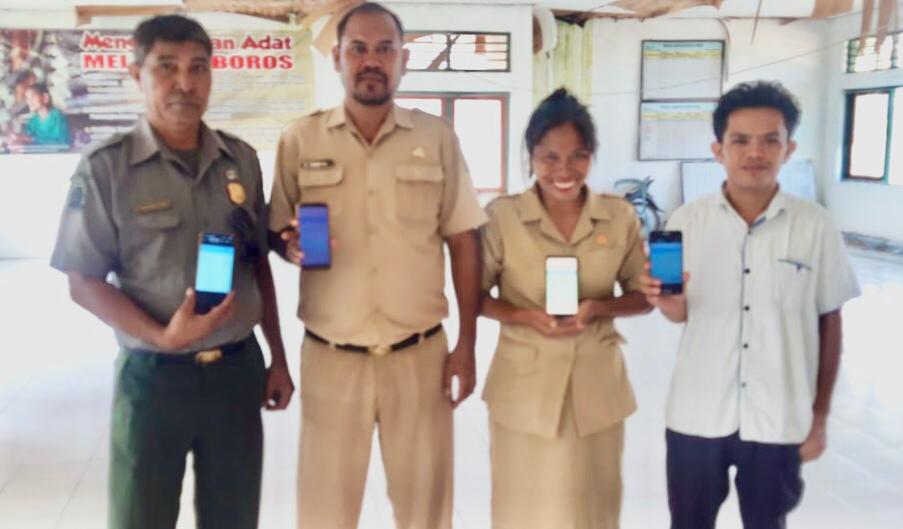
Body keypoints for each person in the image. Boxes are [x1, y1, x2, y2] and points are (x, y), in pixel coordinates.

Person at [49, 15, 294, 529]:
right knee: (141, 516)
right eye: (167, 67)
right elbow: (83, 281)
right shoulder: (106, 168)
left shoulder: (240, 160)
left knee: (233, 518)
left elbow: (256, 264)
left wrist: (277, 357)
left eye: (198, 67)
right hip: (153, 378)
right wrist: (162, 336)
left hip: (236, 373)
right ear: (135, 74)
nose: (185, 82)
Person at [267, 3, 486, 529]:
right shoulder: (300, 139)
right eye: (358, 49)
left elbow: (464, 241)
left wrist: (467, 344)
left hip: (420, 358)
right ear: (337, 59)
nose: (371, 61)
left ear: (403, 60)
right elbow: (276, 231)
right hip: (331, 358)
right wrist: (289, 247)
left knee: (425, 510)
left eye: (385, 49)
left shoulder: (436, 138)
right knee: (324, 511)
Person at [639, 81, 861, 529]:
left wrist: (819, 417)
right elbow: (680, 315)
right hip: (697, 414)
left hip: (778, 418)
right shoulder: (686, 221)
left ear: (788, 149)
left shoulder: (815, 226)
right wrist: (667, 302)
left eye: (769, 141)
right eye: (740, 140)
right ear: (718, 149)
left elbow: (829, 322)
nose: (755, 153)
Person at [480, 88, 651, 529]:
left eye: (578, 156)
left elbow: (642, 295)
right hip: (524, 390)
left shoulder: (618, 216)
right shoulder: (502, 217)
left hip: (597, 388)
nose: (564, 170)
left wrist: (599, 307)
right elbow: (475, 297)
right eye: (549, 157)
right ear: (531, 156)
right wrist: (525, 316)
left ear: (591, 156)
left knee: (592, 510)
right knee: (522, 511)